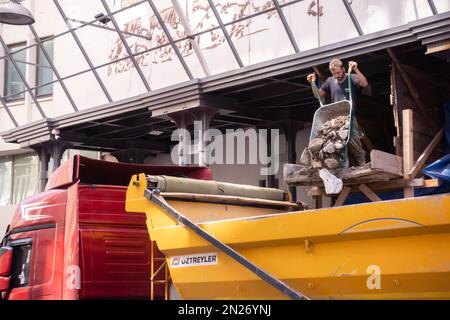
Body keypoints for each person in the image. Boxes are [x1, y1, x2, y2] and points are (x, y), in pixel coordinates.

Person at [307, 59, 369, 166]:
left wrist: (355, 69)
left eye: (338, 72)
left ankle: (362, 164)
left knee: (354, 141)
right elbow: (318, 95)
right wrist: (312, 83)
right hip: (335, 118)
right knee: (332, 142)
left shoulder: (351, 77)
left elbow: (364, 84)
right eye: (334, 73)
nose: (336, 75)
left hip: (348, 116)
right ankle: (336, 165)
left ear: (343, 69)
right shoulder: (330, 81)